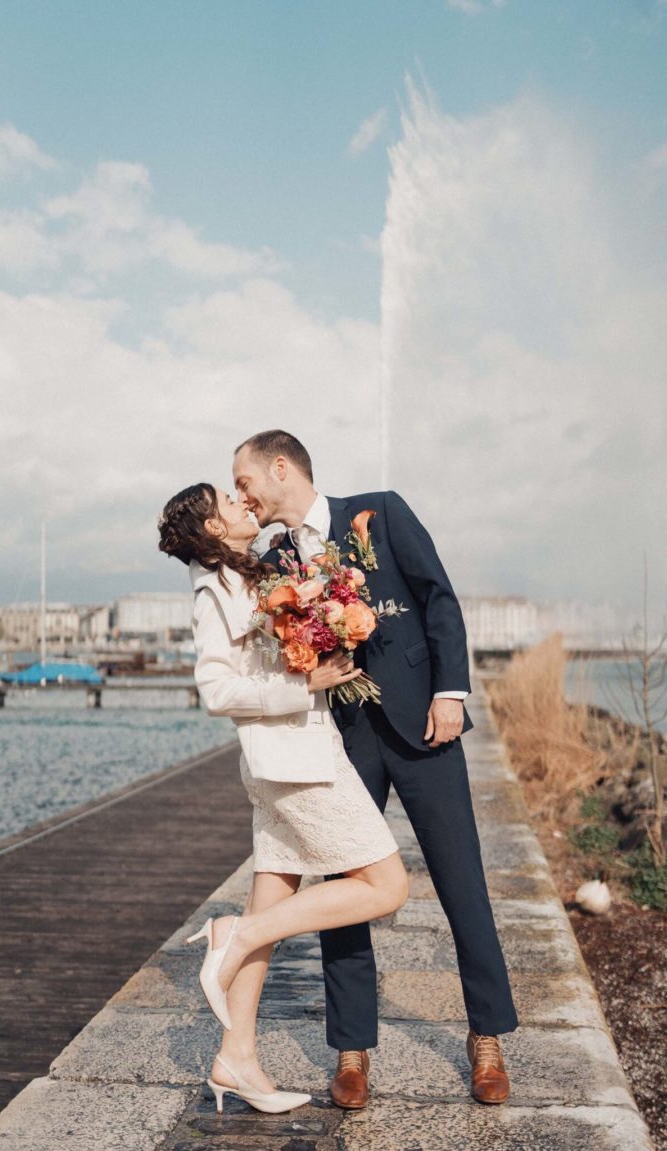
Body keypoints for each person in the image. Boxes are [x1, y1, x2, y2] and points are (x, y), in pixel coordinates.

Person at [232, 429, 518, 1108]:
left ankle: (486, 1038)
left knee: (462, 882)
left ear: (281, 468)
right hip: (344, 737)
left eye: (245, 479)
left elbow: (438, 598)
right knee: (346, 889)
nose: (241, 491)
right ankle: (351, 1049)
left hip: (425, 726)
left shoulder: (380, 513)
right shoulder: (273, 559)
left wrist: (452, 691)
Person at [158, 482, 409, 1115]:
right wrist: (306, 687)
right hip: (296, 762)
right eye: (230, 500)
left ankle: (236, 1058)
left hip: (285, 758)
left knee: (276, 894)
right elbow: (217, 689)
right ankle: (232, 933)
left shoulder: (246, 573)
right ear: (214, 528)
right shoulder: (213, 590)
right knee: (387, 886)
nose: (245, 504)